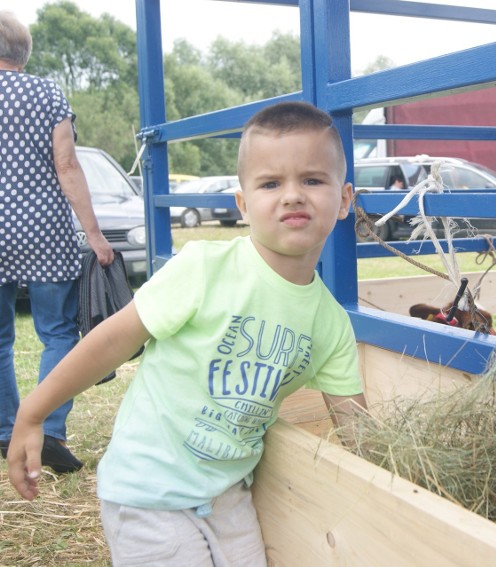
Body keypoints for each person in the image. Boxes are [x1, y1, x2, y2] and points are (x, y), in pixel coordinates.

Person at [7, 100, 367, 566]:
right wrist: (32, 414)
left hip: (228, 496)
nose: (293, 195)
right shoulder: (203, 268)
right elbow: (112, 341)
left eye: (313, 180)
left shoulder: (331, 324)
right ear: (243, 203)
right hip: (148, 489)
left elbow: (360, 430)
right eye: (271, 183)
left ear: (343, 200)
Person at [0, 10, 114, 474]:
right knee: (58, 332)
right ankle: (47, 431)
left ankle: (8, 430)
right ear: (23, 54)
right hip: (44, 228)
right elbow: (67, 164)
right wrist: (93, 233)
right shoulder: (46, 92)